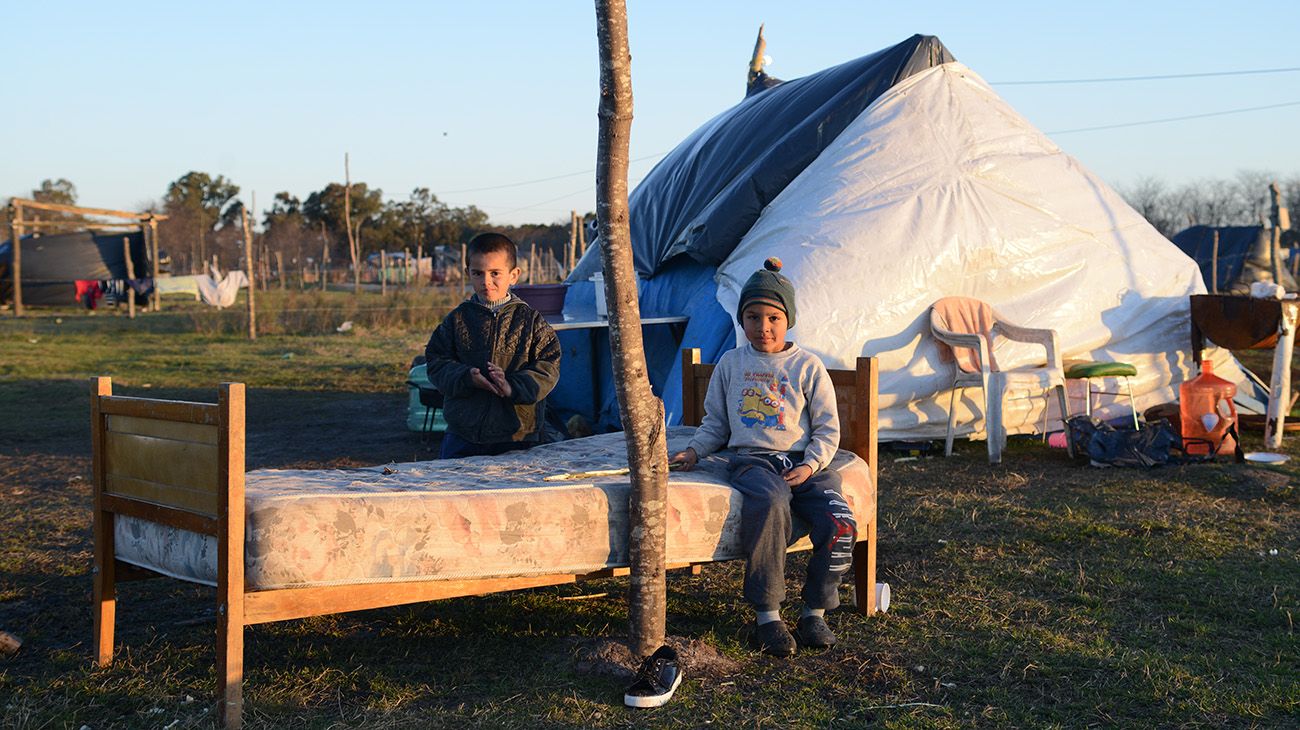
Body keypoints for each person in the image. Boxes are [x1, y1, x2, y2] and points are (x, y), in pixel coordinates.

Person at [670, 257, 856, 657]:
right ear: (741, 320)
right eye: (752, 317)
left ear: (788, 318)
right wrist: (695, 450)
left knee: (839, 522)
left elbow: (827, 428)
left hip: (805, 462)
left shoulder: (807, 366)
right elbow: (716, 423)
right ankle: (768, 614)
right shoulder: (731, 364)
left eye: (773, 317)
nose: (763, 327)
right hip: (753, 460)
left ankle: (814, 610)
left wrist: (810, 465)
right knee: (770, 504)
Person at [425, 232, 561, 459]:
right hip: (464, 433)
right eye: (478, 273)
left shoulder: (531, 322)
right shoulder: (457, 320)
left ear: (514, 275)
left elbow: (549, 367)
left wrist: (512, 386)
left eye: (495, 273)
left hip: (518, 435)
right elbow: (436, 362)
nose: (486, 282)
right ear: (468, 273)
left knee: (513, 493)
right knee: (456, 491)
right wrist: (467, 376)